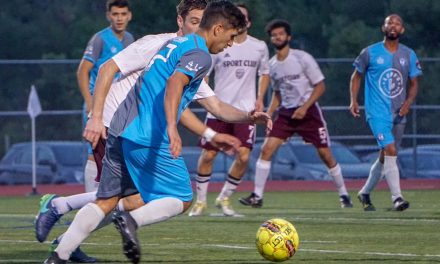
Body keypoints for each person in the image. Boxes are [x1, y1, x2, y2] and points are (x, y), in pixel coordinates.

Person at [44, 2, 270, 263]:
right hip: (148, 135)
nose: (231, 44)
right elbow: (175, 83)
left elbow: (215, 105)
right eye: (231, 36)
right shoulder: (201, 56)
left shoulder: (175, 45)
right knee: (183, 198)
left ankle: (58, 256)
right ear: (218, 28)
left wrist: (248, 116)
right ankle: (130, 220)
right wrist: (173, 128)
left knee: (106, 200)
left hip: (119, 128)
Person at [239, 19, 352, 209]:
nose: (277, 37)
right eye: (274, 35)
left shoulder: (302, 58)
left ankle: (344, 195)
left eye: (281, 34)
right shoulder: (272, 65)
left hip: (309, 113)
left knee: (325, 154)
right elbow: (277, 93)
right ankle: (257, 196)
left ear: (288, 37)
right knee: (266, 149)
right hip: (286, 114)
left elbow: (320, 86)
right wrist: (269, 113)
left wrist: (305, 107)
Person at [188, 3, 270, 217]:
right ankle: (201, 201)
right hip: (218, 107)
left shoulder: (259, 46)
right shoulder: (215, 45)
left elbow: (265, 73)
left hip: (243, 110)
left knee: (243, 156)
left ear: (248, 23)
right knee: (208, 155)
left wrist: (259, 100)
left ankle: (224, 198)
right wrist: (200, 88)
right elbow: (204, 72)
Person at [349, 14, 422, 211]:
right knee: (390, 151)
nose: (393, 26)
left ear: (402, 30)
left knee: (387, 155)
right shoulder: (370, 52)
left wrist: (408, 102)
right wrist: (353, 100)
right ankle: (397, 198)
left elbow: (414, 83)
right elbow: (356, 76)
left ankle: (364, 193)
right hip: (377, 112)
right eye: (389, 22)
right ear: (383, 27)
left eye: (397, 23)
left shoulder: (409, 54)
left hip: (399, 113)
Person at [76, 0, 134, 192]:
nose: (119, 18)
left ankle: (112, 199)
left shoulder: (130, 40)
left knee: (118, 152)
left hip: (119, 105)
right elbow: (83, 71)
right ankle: (89, 200)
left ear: (129, 16)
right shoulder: (100, 39)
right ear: (109, 16)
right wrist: (89, 101)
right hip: (99, 104)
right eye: (115, 14)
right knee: (94, 152)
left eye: (123, 14)